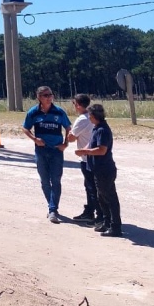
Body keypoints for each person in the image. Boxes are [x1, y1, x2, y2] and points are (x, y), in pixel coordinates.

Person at [22, 85, 71, 223]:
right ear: (39, 97)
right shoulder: (33, 112)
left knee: (56, 180)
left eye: (50, 94)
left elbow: (68, 127)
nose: (49, 97)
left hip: (56, 150)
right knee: (44, 180)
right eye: (45, 95)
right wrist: (34, 139)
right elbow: (25, 128)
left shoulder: (59, 112)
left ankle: (53, 209)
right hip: (41, 151)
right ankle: (51, 206)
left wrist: (66, 143)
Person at [76, 102, 122, 237]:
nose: (88, 117)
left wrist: (85, 151)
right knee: (101, 198)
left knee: (110, 198)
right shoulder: (97, 128)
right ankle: (107, 223)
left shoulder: (102, 130)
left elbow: (102, 150)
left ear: (94, 115)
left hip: (105, 170)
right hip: (97, 169)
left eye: (90, 115)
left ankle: (115, 226)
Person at [66, 93, 100, 225]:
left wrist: (70, 134)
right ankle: (92, 211)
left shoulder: (81, 119)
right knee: (92, 187)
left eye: (74, 104)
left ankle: (95, 215)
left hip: (86, 157)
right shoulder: (92, 116)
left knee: (91, 188)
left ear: (79, 105)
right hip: (94, 156)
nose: (74, 106)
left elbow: (72, 138)